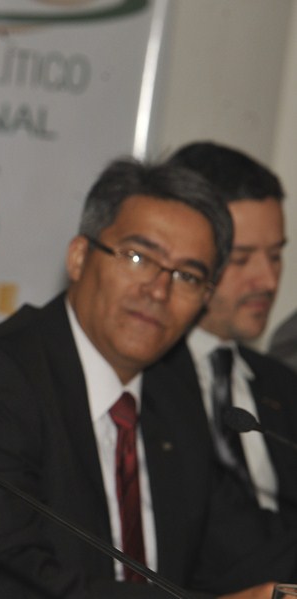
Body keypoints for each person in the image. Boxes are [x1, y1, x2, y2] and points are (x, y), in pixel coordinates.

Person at [0, 158, 295, 598]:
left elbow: (242, 553)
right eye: (138, 258)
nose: (159, 290)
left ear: (205, 298)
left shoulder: (172, 394)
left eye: (187, 276)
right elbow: (2, 585)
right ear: (79, 257)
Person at [163, 141, 297, 525]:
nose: (268, 280)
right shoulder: (142, 382)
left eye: (276, 255)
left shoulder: (284, 386)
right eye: (241, 258)